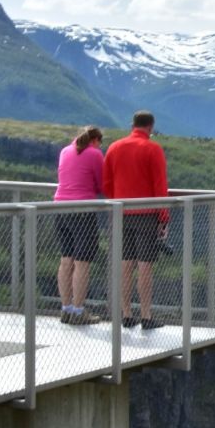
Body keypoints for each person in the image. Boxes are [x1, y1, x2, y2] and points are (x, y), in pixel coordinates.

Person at [102, 110, 169, 330]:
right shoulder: (153, 149)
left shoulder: (114, 148)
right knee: (145, 267)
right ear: (150, 127)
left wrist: (116, 203)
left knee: (125, 265)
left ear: (132, 125)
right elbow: (160, 186)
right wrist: (163, 217)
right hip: (147, 214)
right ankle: (147, 316)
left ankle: (126, 314)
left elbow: (107, 184)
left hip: (121, 213)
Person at [53, 125, 104, 324]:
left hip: (60, 208)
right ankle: (78, 310)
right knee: (82, 262)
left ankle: (65, 308)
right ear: (96, 140)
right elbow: (101, 184)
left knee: (66, 259)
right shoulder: (94, 154)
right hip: (83, 210)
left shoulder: (65, 151)